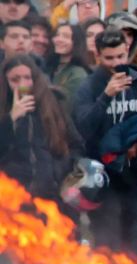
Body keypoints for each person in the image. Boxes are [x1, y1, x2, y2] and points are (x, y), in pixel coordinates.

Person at [73, 28, 137, 253]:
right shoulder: (89, 86)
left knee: (135, 236)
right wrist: (106, 96)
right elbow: (83, 129)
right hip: (104, 177)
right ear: (98, 56)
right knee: (108, 239)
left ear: (127, 52)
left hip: (135, 173)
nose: (116, 63)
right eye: (109, 58)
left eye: (120, 57)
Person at [0, 54, 82, 204]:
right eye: (15, 79)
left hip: (53, 196)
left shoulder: (52, 103)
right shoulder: (4, 109)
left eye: (27, 78)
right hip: (13, 198)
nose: (22, 84)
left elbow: (75, 144)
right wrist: (10, 119)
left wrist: (62, 173)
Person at [47, 23, 91, 105]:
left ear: (76, 42)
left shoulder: (78, 73)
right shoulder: (49, 67)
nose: (59, 39)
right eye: (57, 35)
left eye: (66, 36)